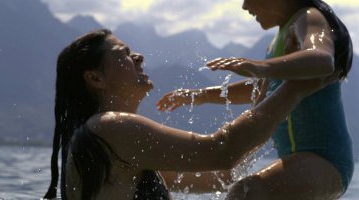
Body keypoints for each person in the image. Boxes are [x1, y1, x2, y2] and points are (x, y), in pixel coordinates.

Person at [42, 29, 339, 200]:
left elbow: (224, 172)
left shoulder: (116, 143)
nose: (138, 57)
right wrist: (294, 88)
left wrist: (271, 94)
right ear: (95, 79)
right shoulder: (109, 128)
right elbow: (221, 150)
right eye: (123, 53)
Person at [157, 0, 354, 199]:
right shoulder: (278, 40)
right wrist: (201, 95)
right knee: (213, 176)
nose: (244, 7)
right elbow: (265, 88)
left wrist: (259, 66)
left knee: (247, 192)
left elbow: (322, 59)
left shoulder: (308, 16)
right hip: (297, 160)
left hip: (327, 160)